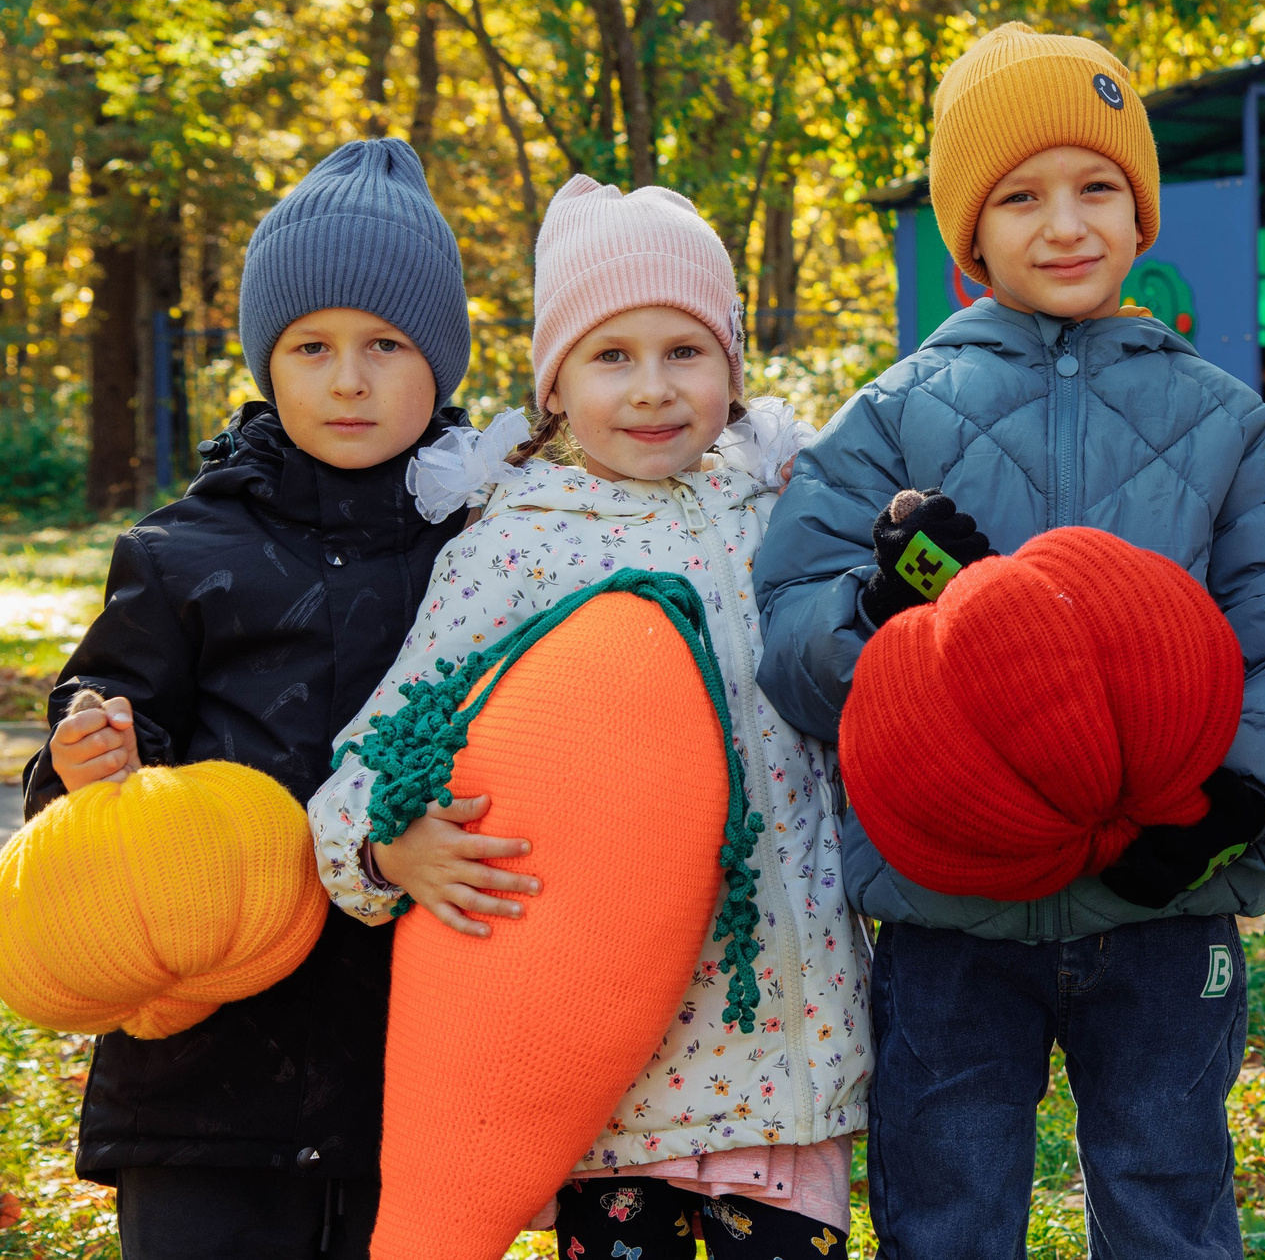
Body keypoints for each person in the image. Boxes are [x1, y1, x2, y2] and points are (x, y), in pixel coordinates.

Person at [754, 23, 1265, 1259]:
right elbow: (794, 640)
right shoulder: (890, 424)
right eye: (1020, 197)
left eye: (1096, 189)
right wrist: (878, 616)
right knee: (947, 1209)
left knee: (1169, 1195)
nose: (1063, 223)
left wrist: (1242, 802)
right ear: (970, 237)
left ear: (1142, 220)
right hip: (947, 913)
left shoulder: (1232, 425)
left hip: (1162, 904)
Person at [307, 175, 860, 1259]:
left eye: (685, 351)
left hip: (791, 1044)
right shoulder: (512, 546)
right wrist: (383, 847)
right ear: (554, 385)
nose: (653, 388)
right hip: (613, 1076)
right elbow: (375, 751)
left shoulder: (784, 522)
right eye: (612, 355)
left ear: (733, 369)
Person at [19, 138, 473, 1259]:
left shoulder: (492, 546)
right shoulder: (184, 551)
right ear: (267, 361)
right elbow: (102, 725)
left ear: (446, 363)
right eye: (311, 346)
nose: (349, 379)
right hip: (204, 1071)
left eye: (386, 344)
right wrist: (87, 763)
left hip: (409, 1049)